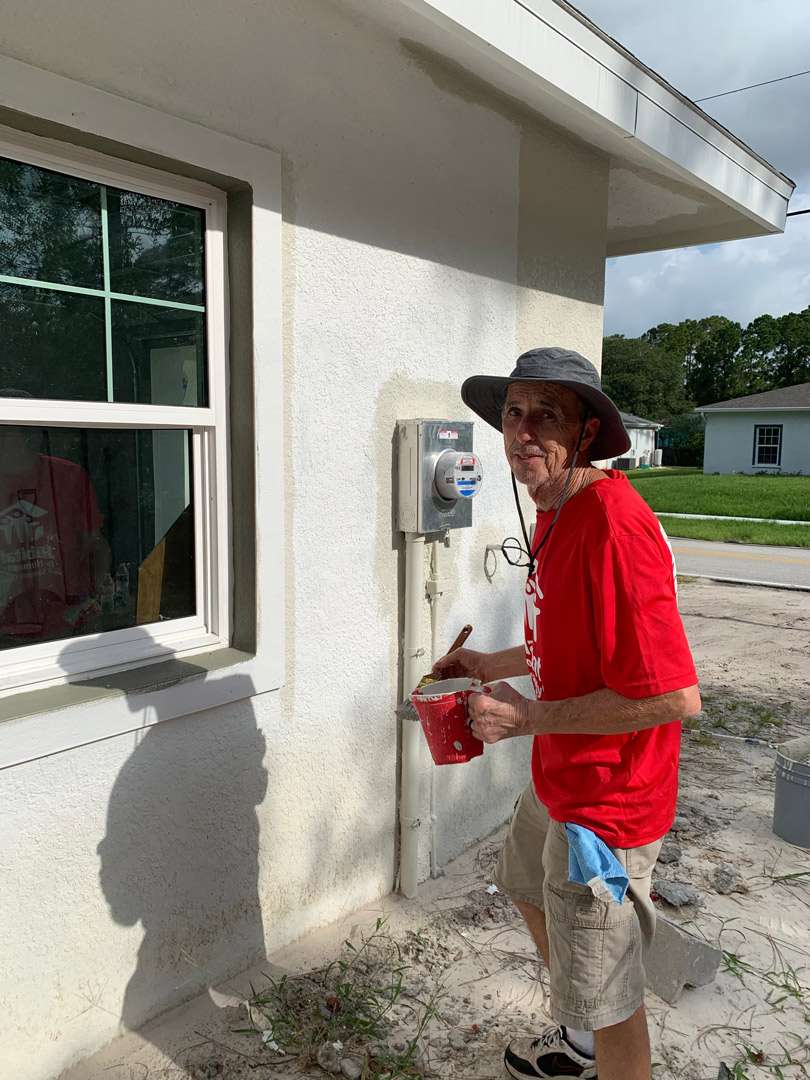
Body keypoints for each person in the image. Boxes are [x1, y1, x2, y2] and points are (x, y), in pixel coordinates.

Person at [433, 348, 700, 1080]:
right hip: (563, 776)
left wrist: (527, 720)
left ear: (586, 433)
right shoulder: (557, 510)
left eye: (545, 415)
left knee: (610, 996)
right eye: (513, 413)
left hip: (608, 804)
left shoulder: (612, 526)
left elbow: (672, 696)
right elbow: (567, 639)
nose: (523, 431)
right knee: (524, 880)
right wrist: (490, 665)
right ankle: (580, 1040)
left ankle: (598, 1032)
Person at [0, 419, 109, 646]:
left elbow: (95, 545)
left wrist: (93, 600)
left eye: (6, 431)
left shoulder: (68, 476)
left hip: (68, 627)